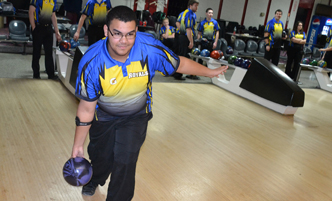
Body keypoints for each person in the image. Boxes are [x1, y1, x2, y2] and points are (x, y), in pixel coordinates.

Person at [71, 5, 228, 201]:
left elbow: (179, 63)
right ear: (106, 31)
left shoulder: (149, 48)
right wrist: (78, 145)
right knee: (101, 157)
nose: (124, 41)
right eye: (117, 34)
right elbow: (86, 108)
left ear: (136, 31)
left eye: (130, 34)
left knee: (125, 160)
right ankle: (95, 178)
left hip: (135, 117)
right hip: (103, 116)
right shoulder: (92, 61)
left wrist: (210, 72)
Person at [28, 0, 62, 79]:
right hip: (38, 28)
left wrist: (57, 31)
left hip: (48, 29)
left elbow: (53, 15)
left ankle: (51, 74)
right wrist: (34, 28)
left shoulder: (53, 1)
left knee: (49, 52)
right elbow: (31, 12)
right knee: (37, 52)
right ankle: (36, 74)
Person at [174, 0, 199, 80]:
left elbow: (177, 23)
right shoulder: (189, 14)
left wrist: (181, 31)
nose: (196, 7)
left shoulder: (183, 13)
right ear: (190, 6)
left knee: (178, 55)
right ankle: (178, 74)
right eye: (195, 5)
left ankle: (174, 72)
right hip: (185, 37)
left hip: (180, 36)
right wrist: (191, 41)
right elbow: (189, 29)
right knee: (183, 56)